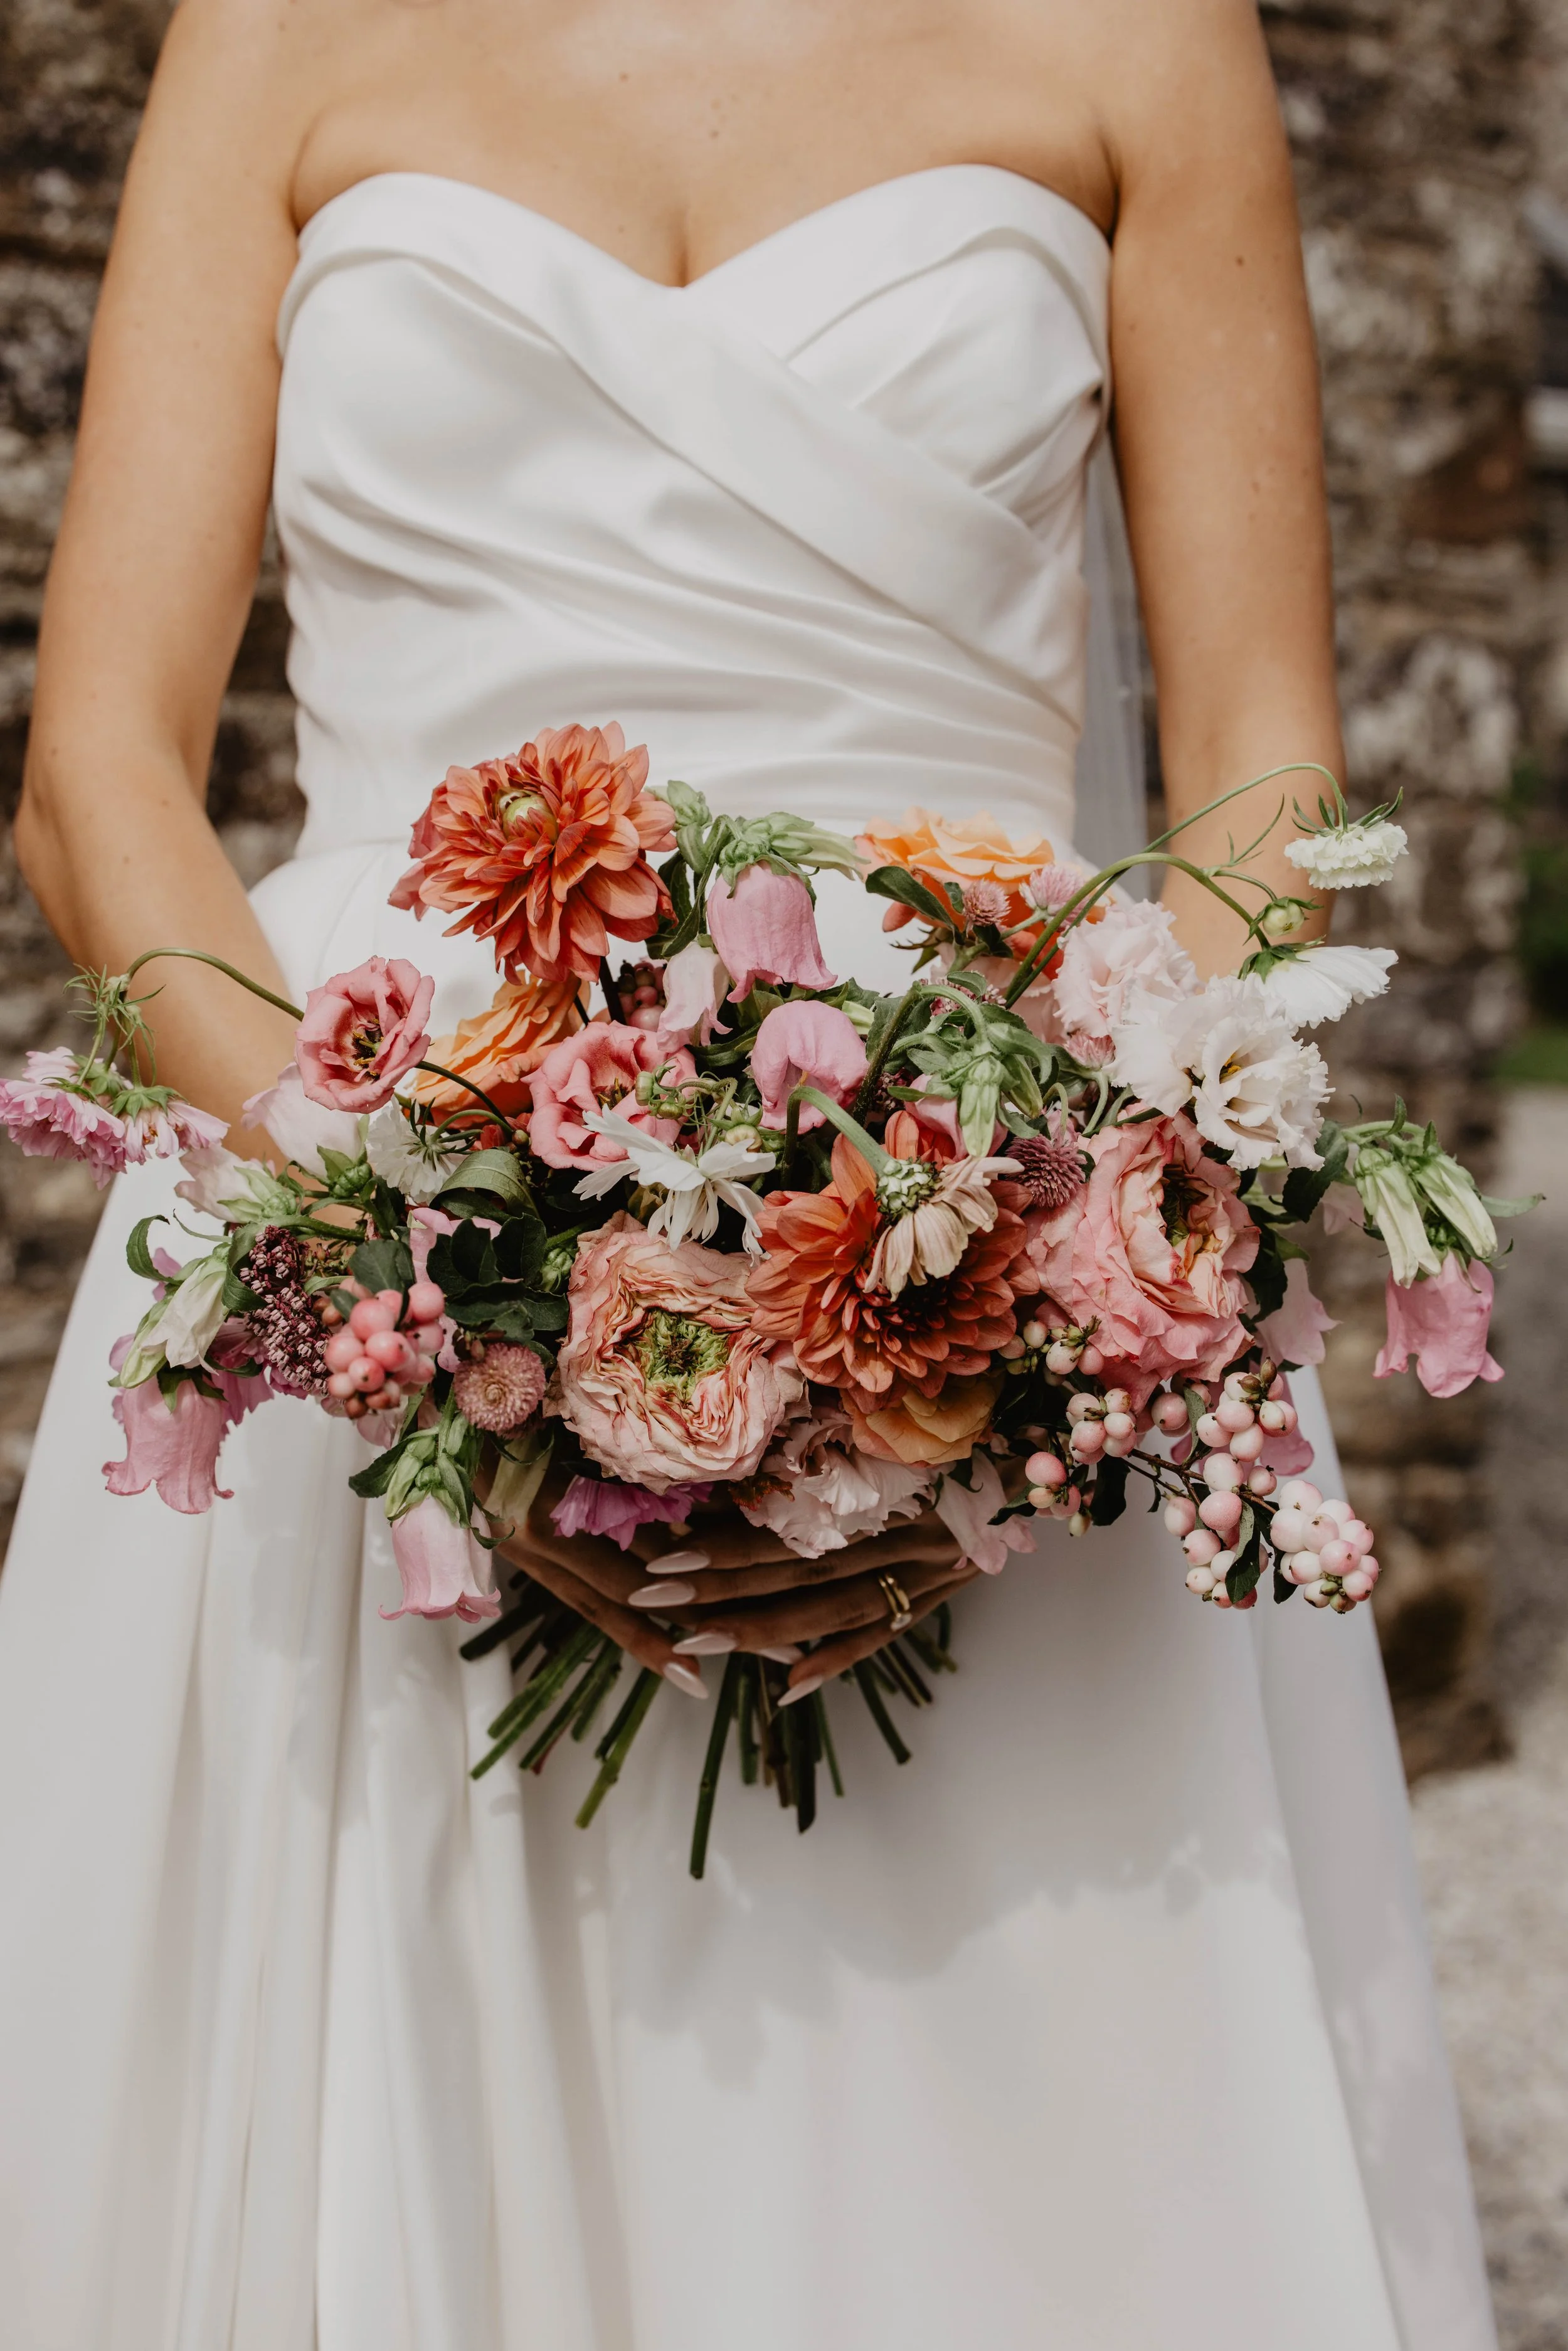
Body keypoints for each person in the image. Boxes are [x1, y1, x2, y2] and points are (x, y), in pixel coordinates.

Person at [0, 1, 1498, 2344]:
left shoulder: (1136, 37)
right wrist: (411, 1273)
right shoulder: (277, 28)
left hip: (1001, 1244)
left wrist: (1052, 1258)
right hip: (354, 1277)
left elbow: (1261, 782)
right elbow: (98, 776)